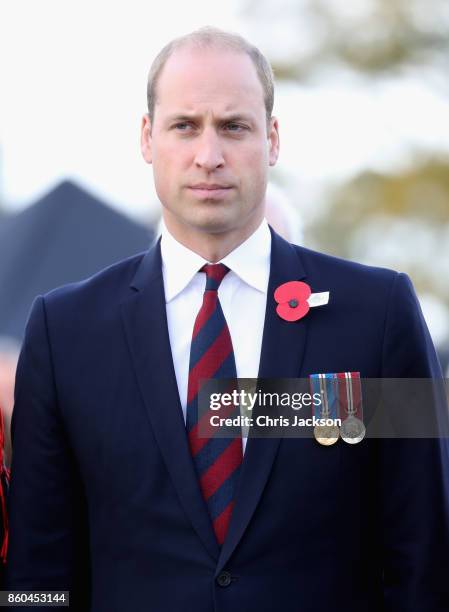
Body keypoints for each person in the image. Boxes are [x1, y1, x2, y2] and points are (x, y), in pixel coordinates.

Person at [5, 26, 449, 612]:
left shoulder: (379, 313)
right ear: (147, 137)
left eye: (234, 127)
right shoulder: (64, 331)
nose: (208, 155)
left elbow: (424, 551)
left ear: (272, 138)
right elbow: (39, 568)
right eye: (185, 125)